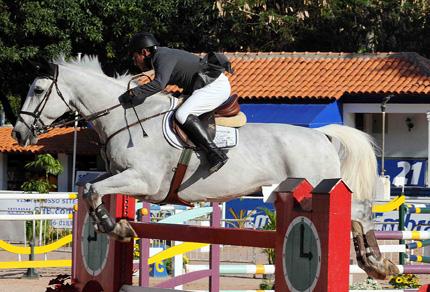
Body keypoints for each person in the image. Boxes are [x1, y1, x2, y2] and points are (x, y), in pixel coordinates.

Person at [119, 32, 232, 174]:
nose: (135, 62)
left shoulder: (162, 56)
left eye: (135, 57)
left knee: (182, 114)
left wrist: (134, 93)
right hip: (203, 86)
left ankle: (216, 153)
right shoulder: (161, 56)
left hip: (214, 86)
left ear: (144, 52)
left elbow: (159, 85)